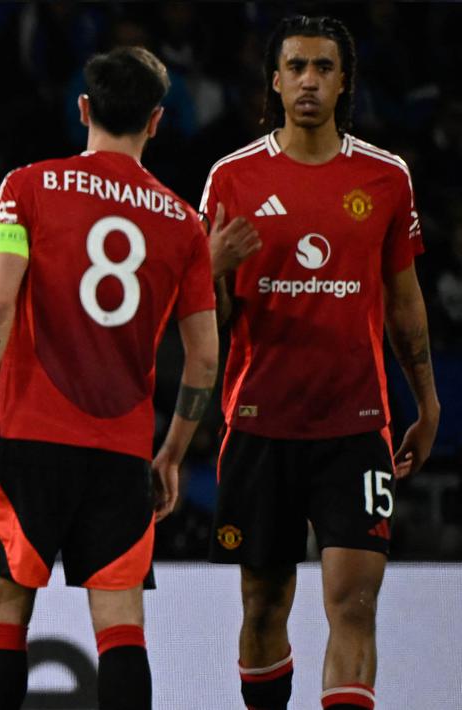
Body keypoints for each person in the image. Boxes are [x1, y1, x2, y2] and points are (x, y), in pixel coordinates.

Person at [0, 47, 218, 710]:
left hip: (30, 439)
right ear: (156, 121)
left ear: (83, 108)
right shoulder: (185, 224)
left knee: (2, 613)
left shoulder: (26, 188)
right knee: (121, 627)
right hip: (122, 450)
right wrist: (172, 452)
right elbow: (204, 358)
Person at [200, 16, 439, 710]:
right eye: (296, 67)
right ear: (274, 82)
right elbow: (207, 320)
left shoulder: (385, 177)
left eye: (323, 67)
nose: (308, 80)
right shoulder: (231, 177)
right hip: (259, 423)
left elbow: (404, 301)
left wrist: (426, 402)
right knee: (262, 605)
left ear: (343, 83)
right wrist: (209, 270)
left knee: (354, 603)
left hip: (355, 425)